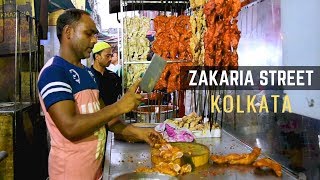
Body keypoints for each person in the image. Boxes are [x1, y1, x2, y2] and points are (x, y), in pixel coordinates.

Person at [37, 9, 161, 180]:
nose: (94, 40)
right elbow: (70, 127)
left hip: (95, 172)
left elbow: (107, 119)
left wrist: (140, 133)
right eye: (89, 34)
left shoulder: (87, 74)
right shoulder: (54, 72)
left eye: (95, 35)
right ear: (68, 32)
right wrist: (119, 106)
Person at [91, 41, 121, 106]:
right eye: (107, 56)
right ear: (97, 57)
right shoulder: (88, 76)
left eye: (111, 56)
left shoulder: (114, 77)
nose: (110, 59)